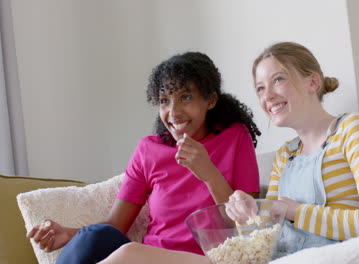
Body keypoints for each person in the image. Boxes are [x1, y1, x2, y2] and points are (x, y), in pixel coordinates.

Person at [26, 51, 261, 264]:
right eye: (164, 101)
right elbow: (114, 227)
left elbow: (246, 225)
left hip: (206, 258)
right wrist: (69, 234)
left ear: (210, 100)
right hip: (149, 257)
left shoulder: (235, 138)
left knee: (129, 253)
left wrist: (208, 172)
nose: (174, 112)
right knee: (97, 236)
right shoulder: (149, 150)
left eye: (186, 97)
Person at [228, 41, 359, 257]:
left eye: (278, 79)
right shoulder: (285, 155)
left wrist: (294, 211)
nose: (267, 96)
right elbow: (267, 240)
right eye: (260, 88)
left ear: (313, 82)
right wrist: (246, 217)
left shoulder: (351, 129)